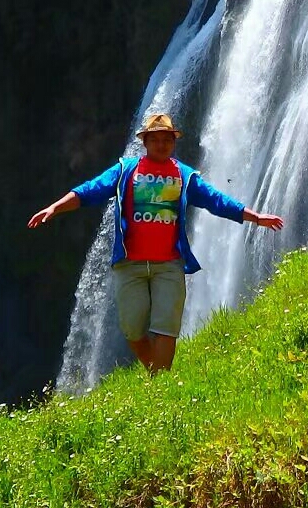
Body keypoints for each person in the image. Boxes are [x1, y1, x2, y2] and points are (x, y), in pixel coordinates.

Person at [28, 113, 284, 373]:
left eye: (167, 139)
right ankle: (157, 374)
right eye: (156, 139)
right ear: (145, 142)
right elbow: (89, 191)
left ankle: (160, 385)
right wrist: (55, 208)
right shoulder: (125, 170)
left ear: (174, 142)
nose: (162, 144)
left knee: (166, 327)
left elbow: (215, 200)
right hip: (130, 264)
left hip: (169, 265)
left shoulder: (184, 175)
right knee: (132, 327)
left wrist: (255, 217)